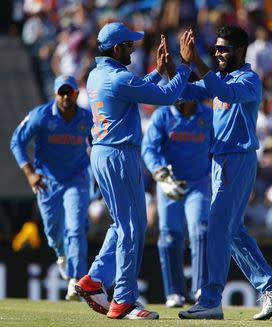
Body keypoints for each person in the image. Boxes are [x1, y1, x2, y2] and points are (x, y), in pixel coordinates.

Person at [73, 22, 193, 320]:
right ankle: (124, 299)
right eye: (129, 46)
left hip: (103, 152)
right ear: (117, 48)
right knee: (132, 227)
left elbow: (134, 89)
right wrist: (185, 66)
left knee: (122, 223)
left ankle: (94, 279)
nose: (133, 50)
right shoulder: (117, 78)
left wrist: (158, 72)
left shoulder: (98, 75)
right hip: (119, 154)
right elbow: (165, 98)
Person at [177, 25, 272, 321]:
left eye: (223, 49)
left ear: (240, 51)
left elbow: (222, 91)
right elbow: (189, 90)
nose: (218, 53)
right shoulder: (222, 76)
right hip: (221, 161)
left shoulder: (249, 80)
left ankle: (211, 299)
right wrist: (173, 67)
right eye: (215, 48)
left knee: (217, 228)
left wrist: (197, 64)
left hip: (237, 160)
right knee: (231, 231)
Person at [10, 75, 92, 301]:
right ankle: (62, 254)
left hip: (77, 179)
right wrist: (30, 174)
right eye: (62, 92)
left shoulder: (87, 117)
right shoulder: (41, 116)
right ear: (55, 94)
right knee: (54, 234)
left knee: (75, 228)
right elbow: (17, 141)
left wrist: (97, 169)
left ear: (76, 93)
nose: (66, 96)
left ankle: (75, 281)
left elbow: (98, 142)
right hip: (47, 181)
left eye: (70, 92)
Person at [141, 99, 212, 308]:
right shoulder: (163, 115)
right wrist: (161, 173)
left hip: (198, 183)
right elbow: (149, 149)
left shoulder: (207, 115)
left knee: (201, 230)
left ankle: (201, 288)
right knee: (170, 236)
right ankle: (174, 293)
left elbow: (218, 146)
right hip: (169, 184)